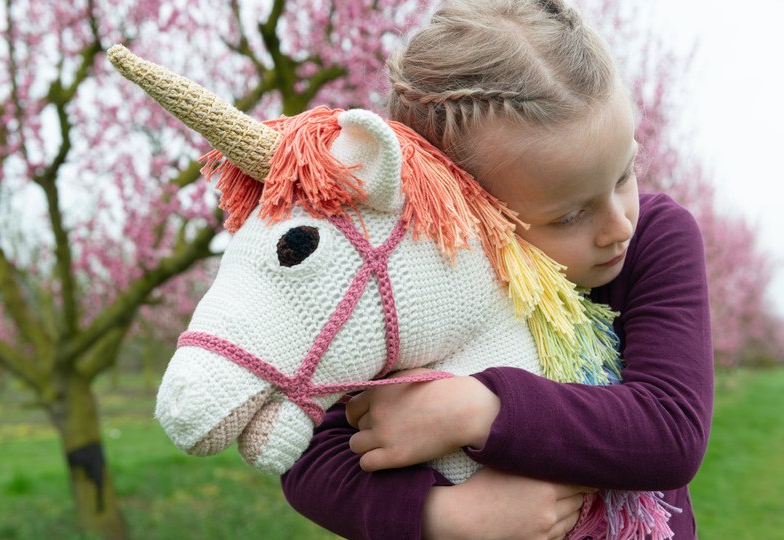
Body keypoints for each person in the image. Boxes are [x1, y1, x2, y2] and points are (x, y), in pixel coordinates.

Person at [281, 0, 713, 538]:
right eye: (569, 215)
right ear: (467, 209)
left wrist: (478, 410)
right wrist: (446, 517)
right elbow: (307, 454)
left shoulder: (657, 236)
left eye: (625, 174)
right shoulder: (412, 283)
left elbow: (670, 429)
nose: (618, 224)